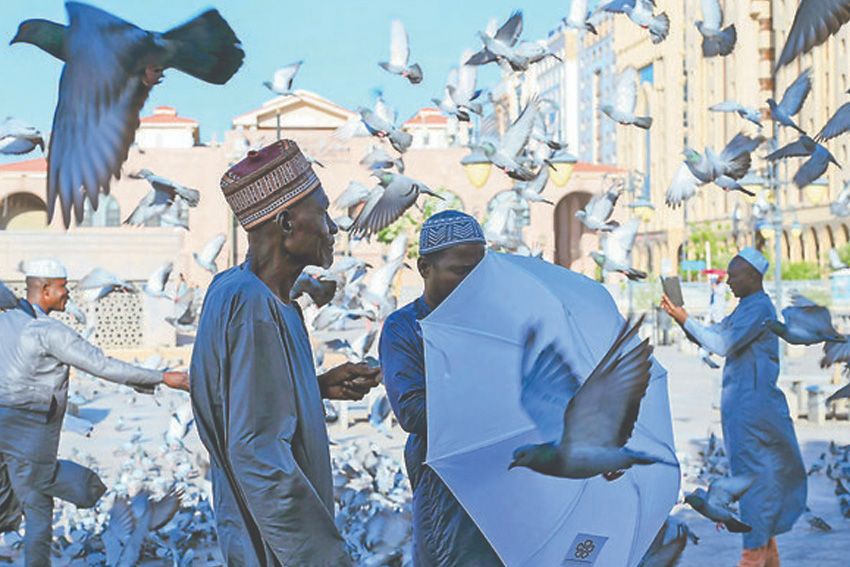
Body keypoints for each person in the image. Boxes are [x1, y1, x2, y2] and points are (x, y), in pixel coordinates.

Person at [190, 140, 381, 566]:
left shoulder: (256, 295)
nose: (333, 228)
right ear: (287, 222)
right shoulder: (252, 306)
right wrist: (323, 557)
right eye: (323, 213)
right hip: (274, 545)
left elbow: (246, 405)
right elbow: (257, 451)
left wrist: (314, 390)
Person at [0, 258, 189, 566]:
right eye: (63, 288)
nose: (68, 294)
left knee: (9, 502)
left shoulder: (6, 318)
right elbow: (102, 365)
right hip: (29, 436)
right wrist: (161, 377)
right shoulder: (49, 332)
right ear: (45, 289)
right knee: (39, 508)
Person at [661, 247, 806, 567]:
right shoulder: (748, 307)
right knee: (758, 480)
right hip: (746, 408)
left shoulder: (758, 309)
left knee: (752, 482)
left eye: (733, 275)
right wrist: (682, 318)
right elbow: (714, 336)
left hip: (753, 410)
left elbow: (722, 345)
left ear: (753, 277)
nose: (728, 281)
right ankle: (768, 558)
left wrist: (684, 317)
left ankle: (752, 558)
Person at [379, 210, 501, 566]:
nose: (472, 281)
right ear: (424, 268)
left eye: (480, 271)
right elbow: (413, 412)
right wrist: (495, 398)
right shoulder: (403, 328)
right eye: (460, 271)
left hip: (499, 480)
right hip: (443, 484)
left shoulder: (495, 321)